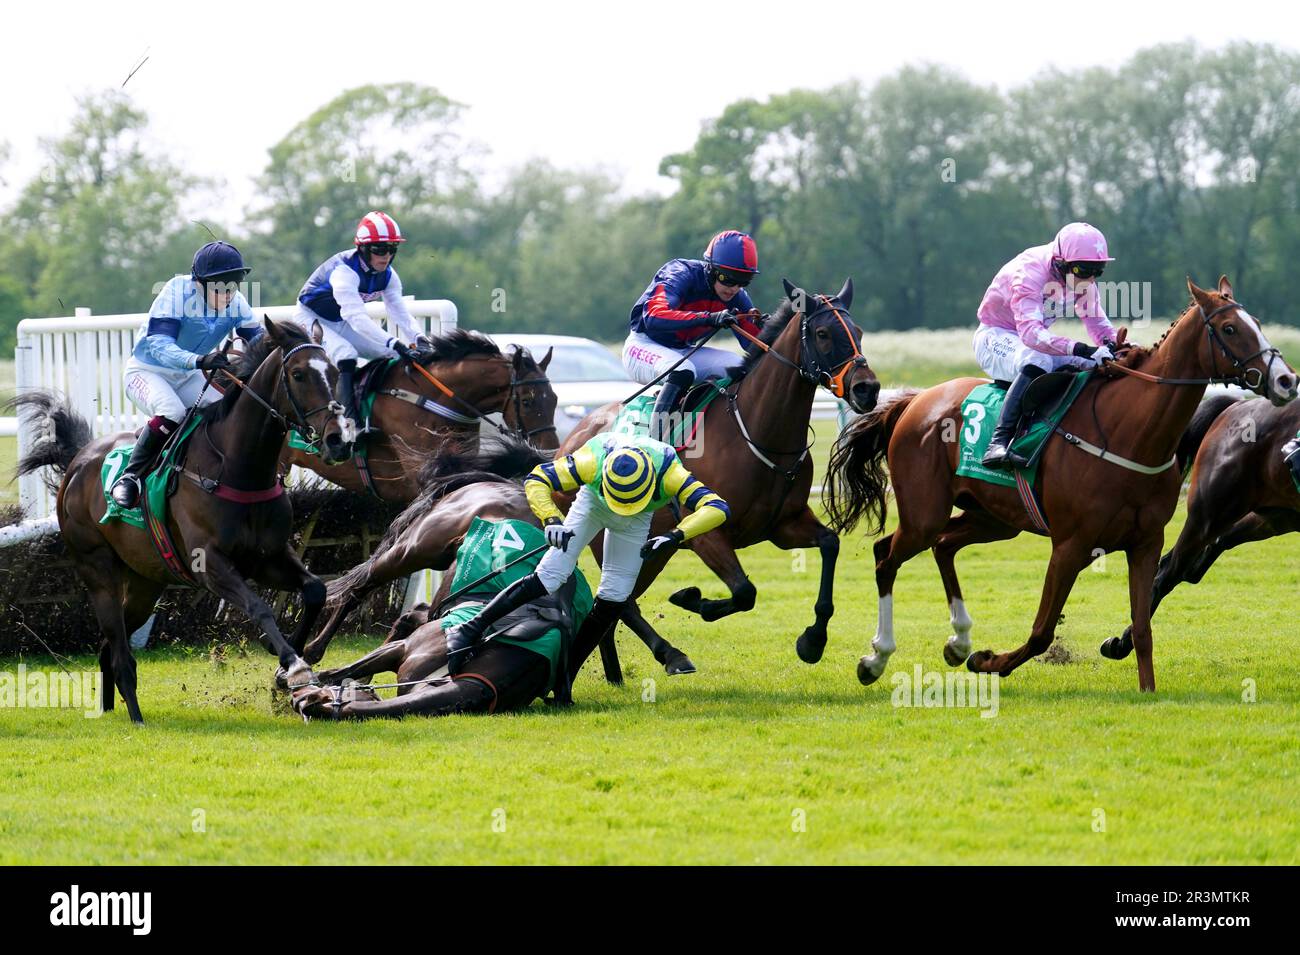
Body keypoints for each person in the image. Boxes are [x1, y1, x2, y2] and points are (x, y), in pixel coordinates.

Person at [442, 432, 730, 676]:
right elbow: (537, 478)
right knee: (550, 575)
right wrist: (552, 519)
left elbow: (717, 507)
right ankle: (469, 629)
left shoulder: (670, 473)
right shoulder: (589, 462)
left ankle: (566, 677)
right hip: (593, 502)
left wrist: (674, 536)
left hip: (638, 517)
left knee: (615, 596)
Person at [291, 516, 594, 719]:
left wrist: (348, 710)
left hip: (542, 607)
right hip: (534, 574)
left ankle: (562, 680)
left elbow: (456, 695)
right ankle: (334, 681)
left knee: (553, 620)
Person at [110, 241, 262, 508]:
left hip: (189, 374)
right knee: (173, 411)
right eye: (219, 285)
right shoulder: (175, 293)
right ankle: (130, 477)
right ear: (199, 283)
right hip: (147, 372)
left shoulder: (236, 302)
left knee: (229, 410)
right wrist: (201, 360)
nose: (227, 292)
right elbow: (158, 345)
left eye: (233, 283)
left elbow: (259, 340)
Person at [974, 222, 1120, 469]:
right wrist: (1082, 348)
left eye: (1098, 270)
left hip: (1031, 341)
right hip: (995, 337)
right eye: (1083, 270)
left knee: (1094, 364)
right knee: (1039, 359)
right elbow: (1031, 334)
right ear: (1060, 262)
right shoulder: (1029, 272)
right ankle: (998, 443)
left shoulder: (1081, 279)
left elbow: (1100, 328)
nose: (1089, 279)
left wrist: (1117, 347)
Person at [295, 211, 433, 430]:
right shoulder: (344, 272)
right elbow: (357, 318)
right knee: (346, 353)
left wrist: (418, 338)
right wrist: (394, 341)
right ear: (363, 249)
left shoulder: (389, 275)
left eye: (391, 249)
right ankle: (349, 423)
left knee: (394, 355)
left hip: (340, 318)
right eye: (379, 249)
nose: (386, 255)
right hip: (312, 317)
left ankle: (380, 410)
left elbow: (400, 313)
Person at [623, 230, 764, 441]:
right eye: (727, 278)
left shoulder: (737, 297)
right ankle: (654, 445)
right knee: (682, 370)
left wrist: (777, 329)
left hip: (684, 350)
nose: (734, 288)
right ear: (710, 268)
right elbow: (654, 315)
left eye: (743, 281)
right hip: (644, 345)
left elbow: (755, 343)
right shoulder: (680, 272)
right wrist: (709, 318)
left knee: (738, 367)